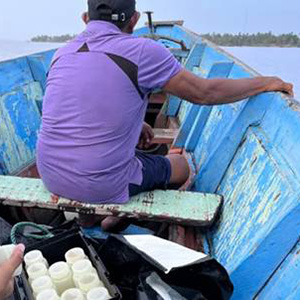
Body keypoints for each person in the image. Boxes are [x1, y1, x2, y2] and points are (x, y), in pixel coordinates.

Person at [37, 0, 293, 231]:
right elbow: (205, 92)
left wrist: (138, 125)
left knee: (101, 160)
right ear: (135, 19)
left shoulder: (61, 54)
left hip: (50, 173)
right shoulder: (143, 51)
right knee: (181, 166)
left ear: (85, 18)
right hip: (102, 184)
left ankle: (88, 219)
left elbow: (83, 105)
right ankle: (117, 218)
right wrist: (265, 83)